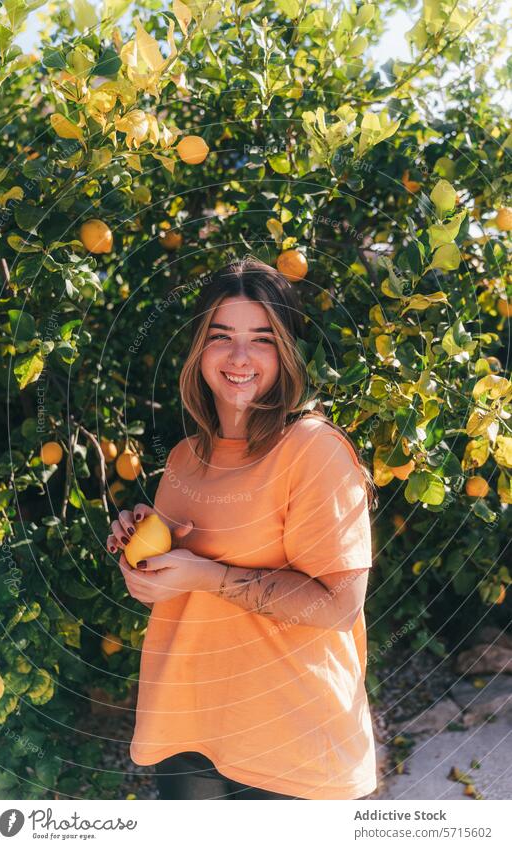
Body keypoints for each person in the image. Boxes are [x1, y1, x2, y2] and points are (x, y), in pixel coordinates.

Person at [106, 256, 379, 800]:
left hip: (291, 743)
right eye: (222, 335)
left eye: (261, 338)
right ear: (199, 350)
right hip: (186, 728)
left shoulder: (313, 451)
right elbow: (167, 594)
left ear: (285, 352)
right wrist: (140, 559)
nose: (239, 356)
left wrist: (204, 575)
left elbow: (338, 605)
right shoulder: (184, 459)